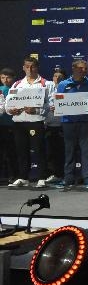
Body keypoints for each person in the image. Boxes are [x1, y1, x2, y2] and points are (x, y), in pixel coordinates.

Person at [5, 56, 54, 188]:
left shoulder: (46, 83)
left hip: (36, 121)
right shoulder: (17, 84)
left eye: (32, 67)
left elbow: (52, 105)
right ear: (23, 68)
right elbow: (8, 103)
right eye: (27, 66)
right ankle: (23, 177)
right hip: (19, 122)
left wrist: (37, 110)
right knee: (21, 151)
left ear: (37, 67)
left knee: (39, 150)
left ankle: (42, 177)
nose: (30, 69)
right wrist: (11, 110)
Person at [57, 60, 88, 189]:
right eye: (81, 68)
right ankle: (68, 178)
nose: (83, 70)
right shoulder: (63, 84)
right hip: (68, 122)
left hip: (85, 122)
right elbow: (59, 100)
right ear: (73, 68)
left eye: (85, 68)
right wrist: (56, 106)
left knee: (86, 151)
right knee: (69, 151)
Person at [0, 69, 18, 184]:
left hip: (13, 125)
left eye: (8, 77)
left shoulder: (17, 90)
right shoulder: (0, 90)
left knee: (12, 152)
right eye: (2, 77)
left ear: (13, 78)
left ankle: (14, 175)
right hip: (0, 125)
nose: (5, 80)